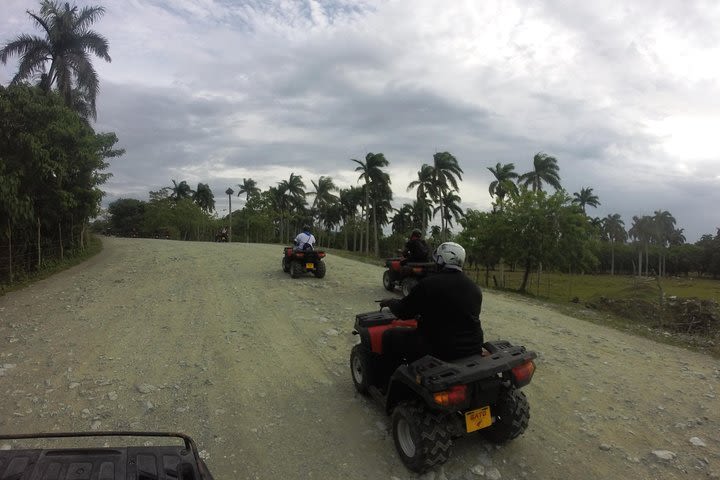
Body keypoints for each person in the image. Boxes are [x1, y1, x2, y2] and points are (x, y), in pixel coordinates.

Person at [380, 242, 484, 362]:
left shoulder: (428, 285)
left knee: (389, 335)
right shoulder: (475, 288)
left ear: (441, 260)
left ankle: (388, 377)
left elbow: (404, 312)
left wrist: (391, 302)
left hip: (438, 348)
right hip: (473, 347)